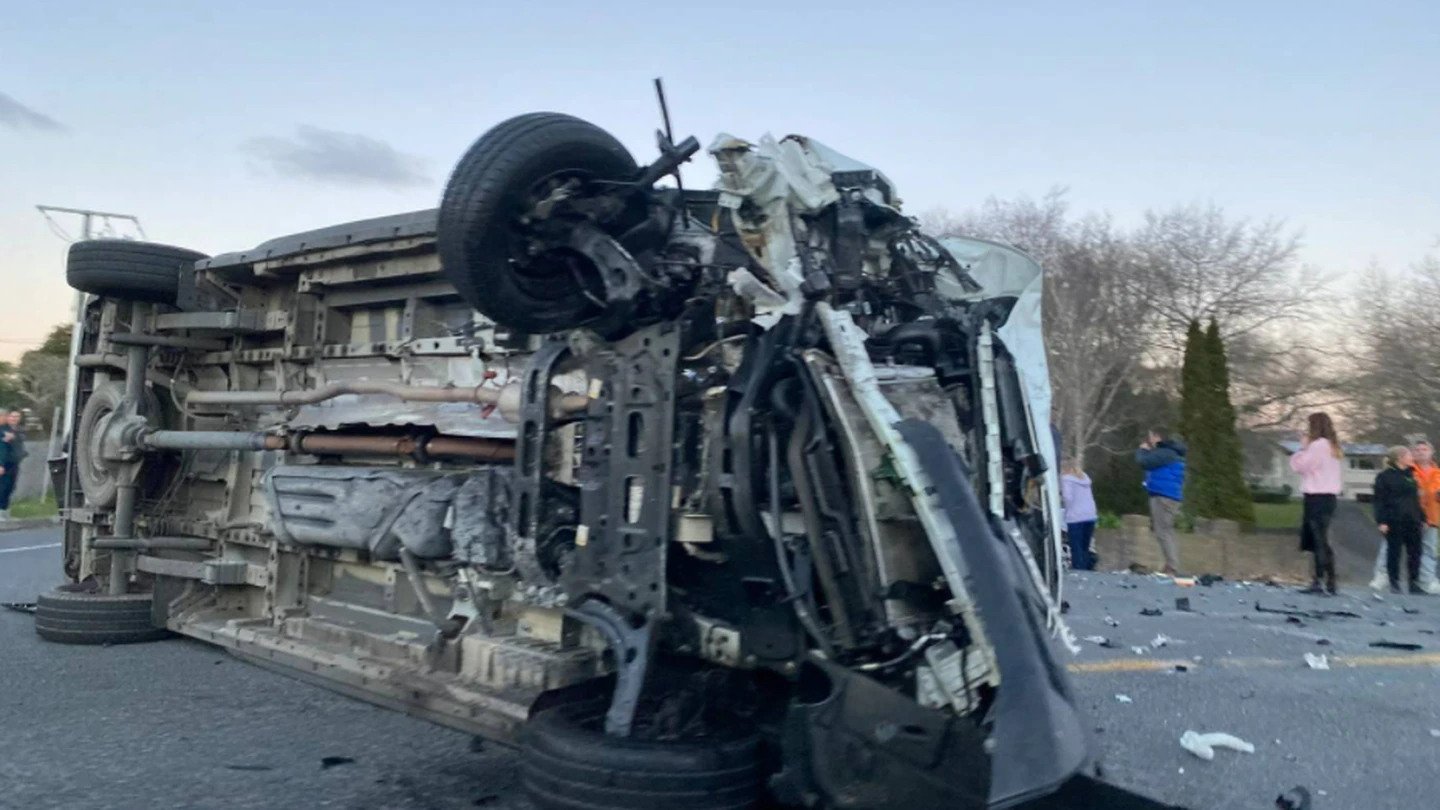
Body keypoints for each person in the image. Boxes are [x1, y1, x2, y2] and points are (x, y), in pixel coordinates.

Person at [1369, 439, 1440, 594]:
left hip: (1428, 517)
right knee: (1390, 549)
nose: (1421, 452)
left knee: (1424, 551)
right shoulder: (1406, 472)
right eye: (1417, 450)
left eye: (1425, 449)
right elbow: (1381, 499)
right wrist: (1382, 520)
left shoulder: (1436, 473)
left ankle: (1423, 582)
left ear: (1432, 452)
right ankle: (1385, 578)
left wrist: (1425, 516)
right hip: (1397, 518)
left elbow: (1420, 497)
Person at [1289, 412, 1344, 595]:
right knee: (1322, 537)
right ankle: (1330, 579)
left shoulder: (1317, 446)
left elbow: (1301, 466)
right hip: (1329, 496)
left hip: (1316, 496)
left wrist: (1302, 449)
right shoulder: (1332, 446)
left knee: (1318, 539)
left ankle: (1319, 579)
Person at [1135, 428, 1186, 575]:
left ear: (1157, 436)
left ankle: (1172, 566)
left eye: (1151, 436)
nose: (1149, 439)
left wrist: (1142, 451)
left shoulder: (1165, 453)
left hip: (1163, 496)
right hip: (1168, 495)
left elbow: (1144, 462)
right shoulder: (1171, 452)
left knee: (1162, 531)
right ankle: (1171, 564)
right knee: (1166, 530)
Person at [1061, 459, 1098, 571]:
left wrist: (1066, 508)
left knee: (1076, 547)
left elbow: (1068, 497)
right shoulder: (1084, 478)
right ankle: (1086, 570)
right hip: (1090, 515)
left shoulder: (1066, 479)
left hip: (1075, 517)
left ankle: (1079, 571)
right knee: (1085, 547)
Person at [0, 411, 23, 520]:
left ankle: (5, 511)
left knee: (10, 487)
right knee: (2, 487)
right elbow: (2, 448)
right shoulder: (3, 430)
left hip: (14, 463)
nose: (14, 419)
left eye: (17, 416)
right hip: (5, 463)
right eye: (12, 416)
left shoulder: (17, 430)